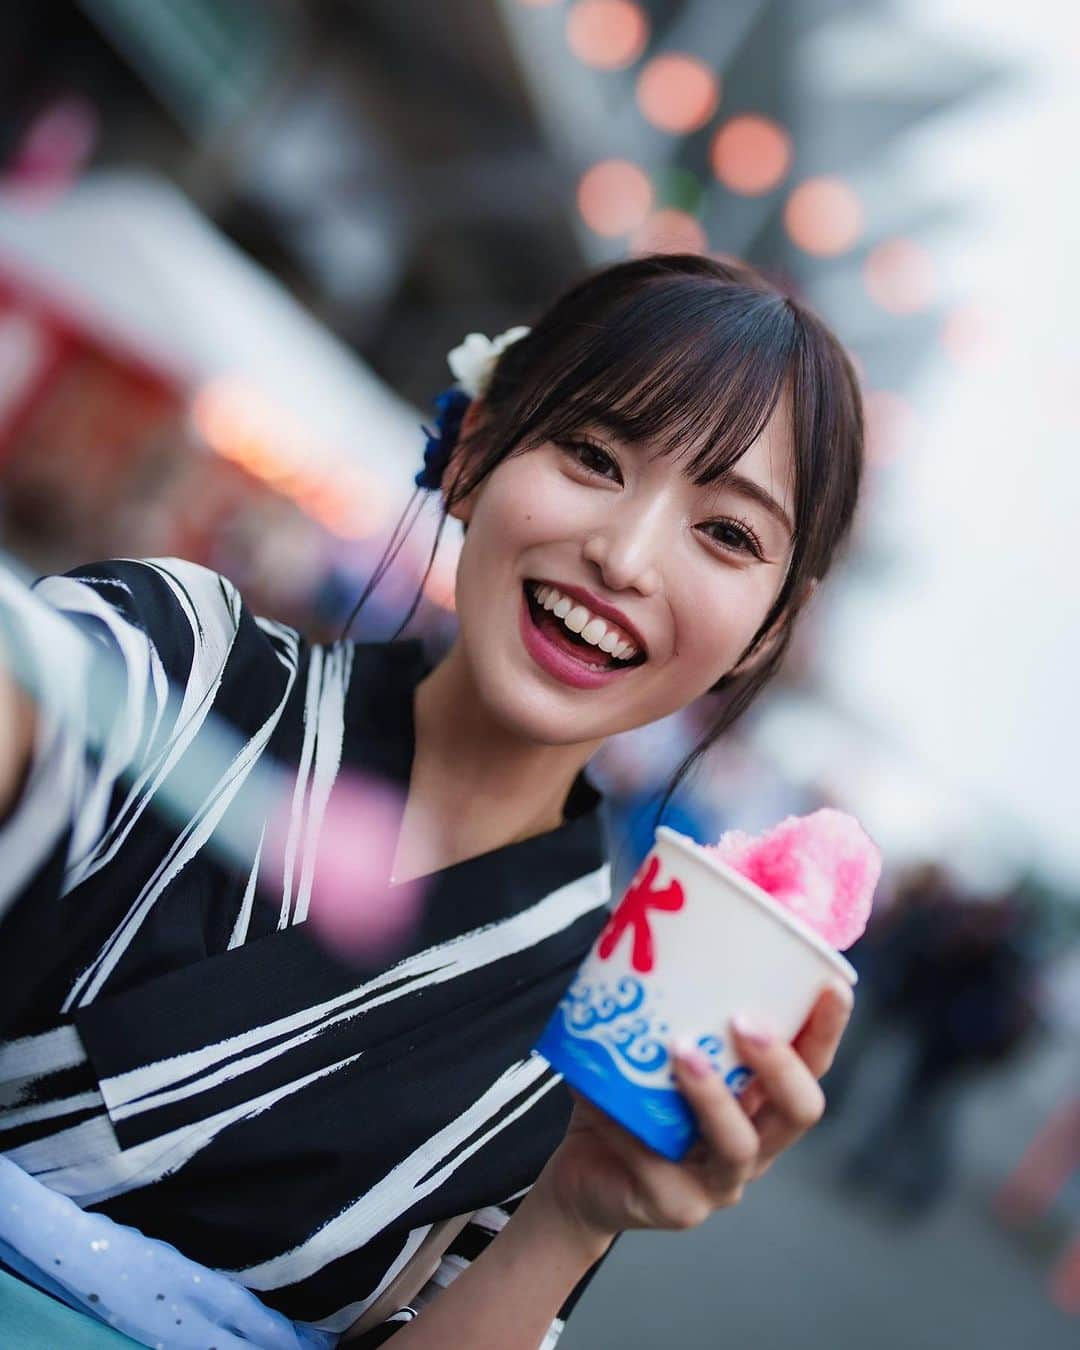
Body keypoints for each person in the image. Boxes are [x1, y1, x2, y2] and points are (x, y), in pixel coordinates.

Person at [0, 252, 862, 1348]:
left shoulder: (614, 1031)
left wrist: (577, 1213)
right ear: (473, 448)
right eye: (594, 456)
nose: (626, 555)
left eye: (727, 533)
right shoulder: (183, 660)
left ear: (770, 633)